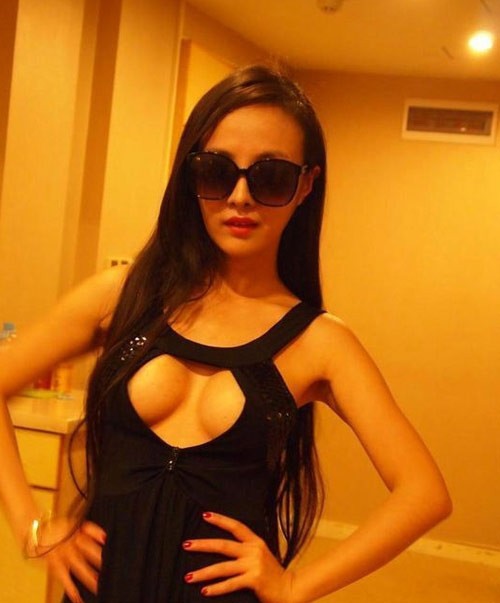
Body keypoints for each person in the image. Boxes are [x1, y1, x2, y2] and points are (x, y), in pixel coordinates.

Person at [0, 65, 451, 603]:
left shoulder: (320, 342)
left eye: (270, 176)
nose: (240, 197)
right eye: (217, 171)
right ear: (191, 175)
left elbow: (424, 493)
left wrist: (295, 585)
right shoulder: (121, 297)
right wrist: (32, 528)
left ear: (306, 185)